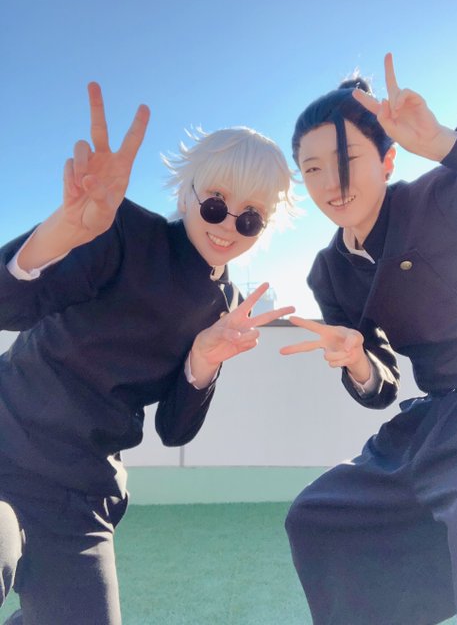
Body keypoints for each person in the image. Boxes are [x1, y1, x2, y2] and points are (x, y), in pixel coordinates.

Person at [0, 82, 295, 625]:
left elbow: (174, 430)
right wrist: (62, 231)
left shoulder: (226, 307)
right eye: (215, 202)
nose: (227, 226)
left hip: (79, 489)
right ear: (187, 191)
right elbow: (7, 304)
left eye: (250, 217)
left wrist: (202, 362)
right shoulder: (121, 230)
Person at [282, 53, 457, 625]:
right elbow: (381, 385)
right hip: (437, 422)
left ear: (387, 159)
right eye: (312, 169)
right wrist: (357, 362)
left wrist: (444, 143)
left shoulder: (445, 194)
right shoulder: (329, 270)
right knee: (316, 517)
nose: (331, 183)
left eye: (347, 160)